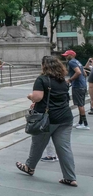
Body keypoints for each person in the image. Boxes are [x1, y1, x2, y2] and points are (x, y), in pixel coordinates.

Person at [16, 56, 77, 187]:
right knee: (64, 148)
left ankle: (29, 167)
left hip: (47, 119)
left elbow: (37, 97)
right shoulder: (63, 81)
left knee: (38, 144)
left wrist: (30, 97)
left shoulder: (42, 79)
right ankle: (70, 177)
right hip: (65, 117)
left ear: (44, 66)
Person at [62, 50, 88, 130]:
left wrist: (70, 80)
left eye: (67, 55)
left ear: (71, 55)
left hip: (77, 86)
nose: (65, 57)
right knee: (81, 104)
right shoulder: (77, 62)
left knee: (80, 105)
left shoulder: (71, 62)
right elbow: (84, 73)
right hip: (82, 85)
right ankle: (80, 122)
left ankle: (85, 123)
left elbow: (78, 72)